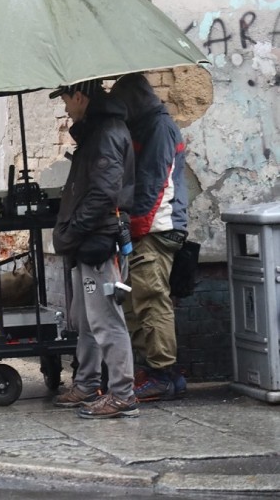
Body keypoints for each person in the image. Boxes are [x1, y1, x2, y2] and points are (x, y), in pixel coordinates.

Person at [49, 79, 138, 419]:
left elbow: (103, 194)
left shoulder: (105, 134)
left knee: (106, 321)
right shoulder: (96, 131)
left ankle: (122, 395)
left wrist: (72, 232)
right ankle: (87, 384)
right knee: (86, 320)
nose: (65, 107)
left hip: (99, 242)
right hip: (90, 240)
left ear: (81, 97)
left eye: (66, 99)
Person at [110, 73, 188, 401]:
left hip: (157, 229)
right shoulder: (147, 125)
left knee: (151, 299)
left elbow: (154, 185)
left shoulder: (158, 128)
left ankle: (163, 374)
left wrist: (135, 229)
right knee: (138, 299)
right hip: (152, 227)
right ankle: (158, 371)